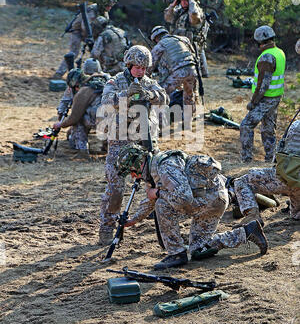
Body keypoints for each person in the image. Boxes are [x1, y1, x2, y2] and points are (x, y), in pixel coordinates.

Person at [115, 144, 268, 270]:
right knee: (198, 250)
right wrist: (133, 220)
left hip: (208, 200)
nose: (133, 177)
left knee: (162, 204)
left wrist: (158, 193)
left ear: (138, 164)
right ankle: (247, 232)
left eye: (132, 172)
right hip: (213, 199)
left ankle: (176, 253)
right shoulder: (153, 169)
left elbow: (183, 198)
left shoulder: (165, 167)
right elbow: (150, 200)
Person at [98, 45, 169, 246]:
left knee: (155, 184)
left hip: (145, 141)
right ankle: (107, 226)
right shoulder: (116, 81)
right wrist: (126, 94)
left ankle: (161, 227)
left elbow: (165, 97)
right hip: (120, 143)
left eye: (144, 68)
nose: (140, 71)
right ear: (128, 64)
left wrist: (150, 95)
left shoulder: (149, 83)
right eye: (137, 67)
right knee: (116, 188)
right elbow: (105, 101)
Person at [234, 114, 300, 224]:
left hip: (287, 179)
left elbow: (279, 156)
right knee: (296, 214)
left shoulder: (295, 124)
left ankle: (252, 218)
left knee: (242, 181)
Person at [239, 25, 286, 163]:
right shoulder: (279, 52)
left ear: (259, 41)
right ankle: (271, 159)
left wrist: (253, 102)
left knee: (246, 125)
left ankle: (246, 160)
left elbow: (263, 86)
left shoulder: (267, 57)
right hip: (276, 97)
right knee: (268, 129)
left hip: (266, 99)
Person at [52, 0, 117, 79]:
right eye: (108, 6)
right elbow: (85, 26)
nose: (110, 8)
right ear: (103, 4)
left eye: (110, 6)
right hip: (77, 32)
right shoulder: (91, 11)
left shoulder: (104, 13)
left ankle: (97, 74)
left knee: (98, 54)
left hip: (91, 35)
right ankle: (58, 74)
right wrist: (90, 39)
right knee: (74, 52)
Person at [149, 25, 199, 128]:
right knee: (188, 95)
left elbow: (150, 66)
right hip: (192, 70)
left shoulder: (159, 46)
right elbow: (193, 54)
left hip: (178, 73)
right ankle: (188, 122)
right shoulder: (183, 39)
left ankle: (160, 123)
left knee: (161, 94)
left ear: (156, 38)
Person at [53, 65, 109, 154]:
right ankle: (107, 147)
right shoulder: (102, 80)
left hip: (102, 120)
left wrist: (60, 124)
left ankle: (82, 150)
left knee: (79, 121)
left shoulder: (83, 92)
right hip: (118, 120)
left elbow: (73, 118)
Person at [164, 0, 209, 78]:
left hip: (192, 46)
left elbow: (194, 18)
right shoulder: (179, 11)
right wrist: (172, 5)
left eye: (186, 1)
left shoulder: (196, 11)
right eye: (182, 1)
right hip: (179, 45)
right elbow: (168, 18)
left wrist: (192, 2)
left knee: (191, 72)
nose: (184, 3)